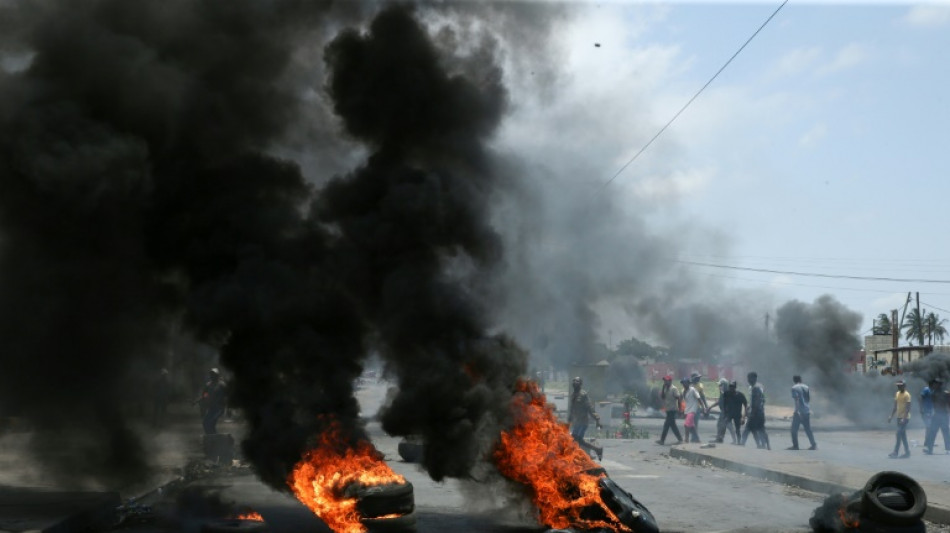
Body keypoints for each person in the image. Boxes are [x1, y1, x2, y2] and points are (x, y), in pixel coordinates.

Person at [568, 376, 604, 460]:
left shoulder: (583, 395)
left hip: (583, 422)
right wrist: (569, 420)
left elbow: (590, 408)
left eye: (577, 382)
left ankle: (596, 450)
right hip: (576, 422)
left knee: (578, 440)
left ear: (580, 384)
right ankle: (593, 451)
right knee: (575, 440)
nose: (575, 383)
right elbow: (571, 409)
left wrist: (597, 419)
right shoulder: (573, 395)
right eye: (574, 381)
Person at [740, 371, 770, 450]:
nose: (748, 380)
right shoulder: (756, 387)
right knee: (759, 429)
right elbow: (756, 401)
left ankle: (742, 443)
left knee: (749, 428)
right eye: (748, 378)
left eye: (749, 378)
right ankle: (765, 445)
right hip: (759, 412)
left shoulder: (756, 388)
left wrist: (752, 413)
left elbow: (756, 402)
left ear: (754, 378)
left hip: (756, 413)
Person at [788, 375, 817, 450]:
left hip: (799, 412)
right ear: (801, 380)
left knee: (794, 429)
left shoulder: (794, 388)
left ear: (794, 380)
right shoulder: (806, 387)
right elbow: (808, 398)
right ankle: (813, 444)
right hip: (806, 410)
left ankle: (795, 445)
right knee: (808, 429)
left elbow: (797, 399)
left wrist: (797, 411)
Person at [196, 368, 227, 434]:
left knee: (210, 423)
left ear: (217, 375)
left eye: (214, 374)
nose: (212, 376)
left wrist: (227, 407)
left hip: (219, 408)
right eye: (211, 374)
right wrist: (196, 401)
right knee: (205, 423)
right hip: (212, 408)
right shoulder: (208, 385)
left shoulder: (221, 385)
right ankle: (211, 438)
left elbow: (226, 395)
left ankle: (214, 438)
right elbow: (205, 396)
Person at [707, 378, 738, 444]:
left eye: (720, 385)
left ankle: (735, 440)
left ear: (724, 385)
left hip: (726, 413)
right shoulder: (723, 393)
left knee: (729, 426)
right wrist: (710, 407)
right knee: (720, 425)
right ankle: (719, 438)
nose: (719, 387)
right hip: (723, 412)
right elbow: (719, 401)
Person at [923, 378, 950, 455]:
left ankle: (948, 449)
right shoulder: (933, 393)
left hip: (944, 414)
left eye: (936, 383)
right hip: (937, 414)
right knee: (932, 431)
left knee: (946, 432)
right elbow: (933, 404)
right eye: (934, 383)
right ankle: (930, 449)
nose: (935, 384)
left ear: (939, 384)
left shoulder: (946, 393)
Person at [656, 375, 683, 445]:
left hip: (672, 410)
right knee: (673, 426)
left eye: (666, 381)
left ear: (670, 381)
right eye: (664, 381)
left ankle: (662, 440)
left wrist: (680, 410)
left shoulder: (674, 389)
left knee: (666, 425)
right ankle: (680, 439)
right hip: (668, 410)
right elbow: (662, 397)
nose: (665, 382)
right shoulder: (665, 388)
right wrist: (663, 388)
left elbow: (679, 399)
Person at [888, 380, 912, 458]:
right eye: (898, 385)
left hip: (905, 418)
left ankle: (895, 452)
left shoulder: (907, 395)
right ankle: (907, 452)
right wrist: (891, 416)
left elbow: (908, 408)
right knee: (902, 435)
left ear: (904, 386)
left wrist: (904, 419)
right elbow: (895, 406)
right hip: (898, 417)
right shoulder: (897, 394)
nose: (899, 387)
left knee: (898, 434)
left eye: (900, 385)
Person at [682, 377, 702, 443]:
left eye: (685, 383)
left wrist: (703, 407)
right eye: (683, 383)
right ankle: (697, 439)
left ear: (688, 383)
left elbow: (699, 398)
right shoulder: (683, 391)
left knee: (686, 424)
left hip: (693, 410)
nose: (684, 384)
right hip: (687, 410)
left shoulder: (693, 390)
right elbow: (681, 399)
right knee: (692, 427)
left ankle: (686, 439)